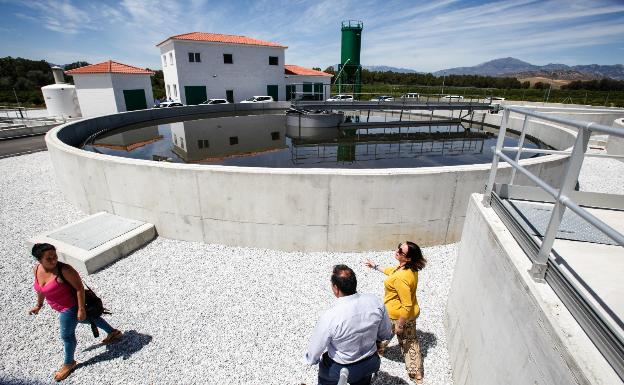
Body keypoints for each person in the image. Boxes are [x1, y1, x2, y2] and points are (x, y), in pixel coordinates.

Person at [28, 243, 123, 381]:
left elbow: (79, 288)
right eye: (49, 258)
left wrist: (81, 308)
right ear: (39, 260)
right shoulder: (36, 270)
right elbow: (40, 289)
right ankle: (113, 332)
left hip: (69, 308)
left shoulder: (65, 270)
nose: (54, 260)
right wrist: (39, 305)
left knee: (67, 336)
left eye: (55, 256)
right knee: (89, 319)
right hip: (59, 307)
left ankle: (69, 363)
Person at [305, 265, 393, 385]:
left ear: (335, 288)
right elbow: (386, 334)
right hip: (370, 362)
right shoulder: (375, 302)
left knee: (326, 376)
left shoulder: (330, 316)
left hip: (341, 369)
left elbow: (315, 350)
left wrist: (311, 360)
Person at [365, 241, 427, 384]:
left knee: (383, 335)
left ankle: (377, 351)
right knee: (410, 342)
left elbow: (406, 304)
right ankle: (416, 373)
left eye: (401, 251)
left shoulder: (401, 278)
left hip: (396, 316)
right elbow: (391, 271)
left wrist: (399, 324)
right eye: (399, 247)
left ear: (408, 258)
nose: (397, 250)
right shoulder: (409, 269)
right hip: (410, 314)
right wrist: (375, 266)